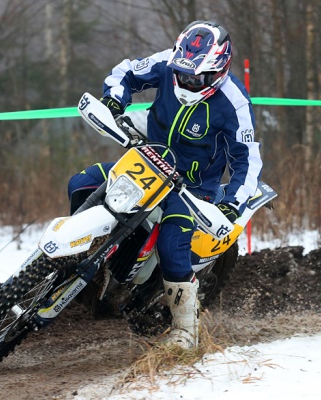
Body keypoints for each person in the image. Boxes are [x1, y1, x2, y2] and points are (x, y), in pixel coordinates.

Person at [68, 20, 263, 349]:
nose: (186, 81)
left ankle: (186, 330)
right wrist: (114, 100)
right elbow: (126, 72)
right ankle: (79, 262)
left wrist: (232, 202)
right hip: (147, 159)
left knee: (173, 247)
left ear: (218, 71)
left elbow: (247, 159)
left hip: (190, 188)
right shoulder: (168, 63)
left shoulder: (235, 103)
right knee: (81, 184)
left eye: (195, 77)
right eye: (182, 73)